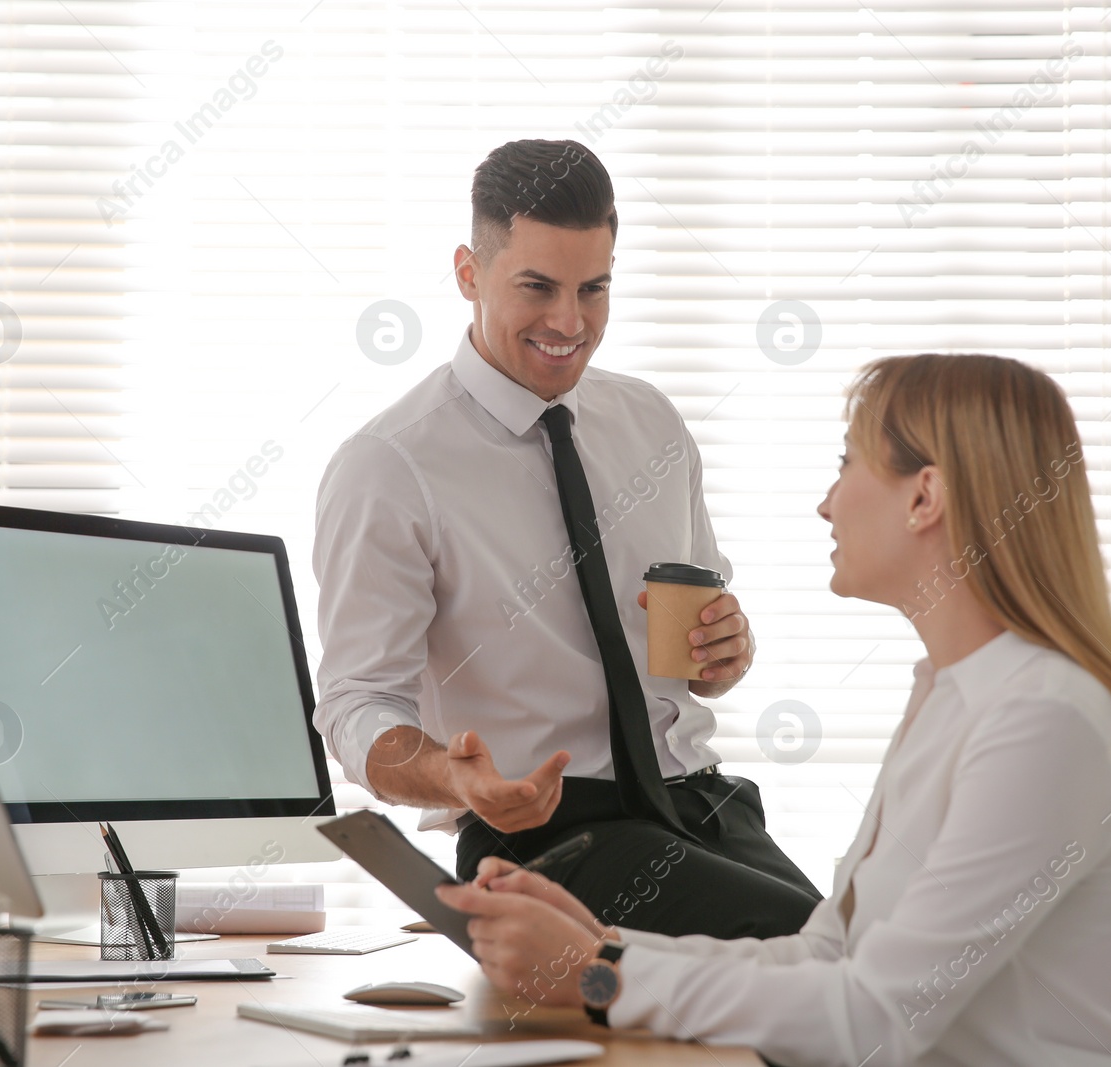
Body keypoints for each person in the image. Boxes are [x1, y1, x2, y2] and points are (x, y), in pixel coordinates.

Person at [437, 353, 1111, 1067]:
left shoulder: (1044, 722)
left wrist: (599, 978)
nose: (826, 501)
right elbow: (826, 952)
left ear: (924, 496)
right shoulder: (950, 695)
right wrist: (597, 942)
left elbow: (875, 1020)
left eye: (848, 464)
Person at [312, 138, 820, 939]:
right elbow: (354, 703)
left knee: (864, 972)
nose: (570, 322)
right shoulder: (390, 466)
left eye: (595, 288)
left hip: (703, 802)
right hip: (546, 833)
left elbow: (702, 646)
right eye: (538, 287)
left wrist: (728, 649)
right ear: (468, 273)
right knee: (810, 961)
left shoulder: (650, 421)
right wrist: (452, 776)